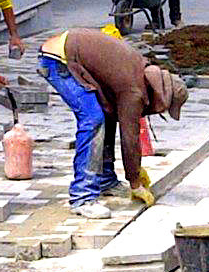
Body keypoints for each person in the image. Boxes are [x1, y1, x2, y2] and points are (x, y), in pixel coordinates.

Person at [38, 28, 188, 219]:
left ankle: (105, 180)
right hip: (59, 60)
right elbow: (130, 137)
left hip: (68, 52)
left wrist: (135, 171)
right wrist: (135, 182)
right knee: (93, 119)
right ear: (162, 98)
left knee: (106, 116)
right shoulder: (134, 91)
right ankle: (82, 197)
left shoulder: (141, 71)